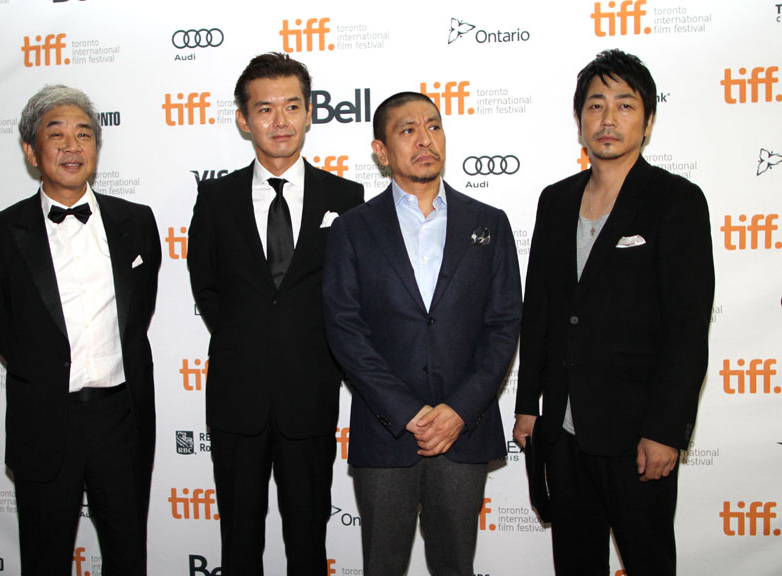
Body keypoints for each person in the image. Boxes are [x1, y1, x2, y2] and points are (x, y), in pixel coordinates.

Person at [513, 49, 714, 576]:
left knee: (648, 562)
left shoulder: (676, 200)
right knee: (575, 564)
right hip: (563, 429)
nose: (608, 118)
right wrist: (528, 404)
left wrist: (666, 430)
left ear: (647, 121)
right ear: (579, 119)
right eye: (595, 105)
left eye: (625, 105)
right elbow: (540, 311)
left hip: (637, 434)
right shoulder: (555, 201)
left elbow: (687, 329)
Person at [322, 91, 522, 576]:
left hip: (463, 431)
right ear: (381, 151)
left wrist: (459, 410)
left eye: (433, 126)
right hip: (385, 431)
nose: (424, 139)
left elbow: (503, 326)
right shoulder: (352, 229)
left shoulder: (489, 223)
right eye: (407, 130)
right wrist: (406, 412)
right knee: (383, 566)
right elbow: (345, 329)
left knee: (455, 565)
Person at [186, 52, 364, 576]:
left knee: (308, 542)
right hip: (236, 398)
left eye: (291, 106)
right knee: (239, 542)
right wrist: (248, 340)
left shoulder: (346, 197)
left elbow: (351, 294)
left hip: (310, 397)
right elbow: (207, 287)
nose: (279, 120)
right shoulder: (215, 198)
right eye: (265, 109)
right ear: (244, 120)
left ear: (309, 113)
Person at [0, 85, 161, 575]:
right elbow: (4, 326)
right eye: (56, 135)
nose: (72, 146)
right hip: (45, 419)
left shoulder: (137, 222)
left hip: (121, 419)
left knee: (128, 556)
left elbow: (139, 313)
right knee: (44, 558)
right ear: (31, 151)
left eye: (84, 134)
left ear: (96, 146)